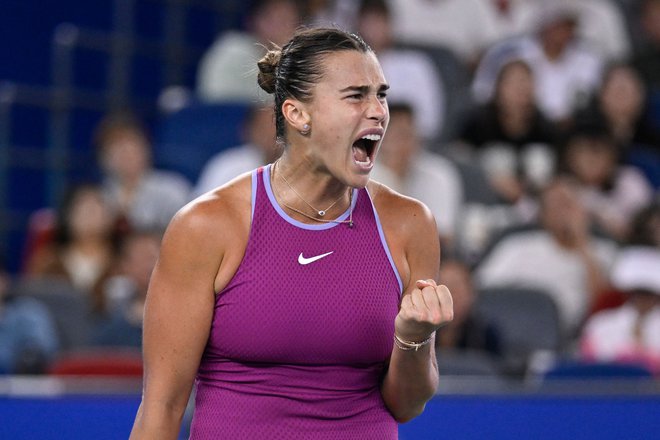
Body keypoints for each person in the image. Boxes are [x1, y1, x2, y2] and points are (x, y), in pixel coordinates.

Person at [130, 27, 453, 439]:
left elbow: (407, 405)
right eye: (356, 95)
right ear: (297, 114)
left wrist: (412, 339)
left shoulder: (411, 224)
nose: (378, 111)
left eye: (381, 94)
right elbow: (162, 404)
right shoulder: (207, 226)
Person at [371, 102, 463, 246]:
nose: (404, 143)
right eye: (397, 135)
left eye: (409, 134)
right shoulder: (364, 177)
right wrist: (394, 174)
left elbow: (444, 236)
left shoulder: (439, 173)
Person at [93, 111, 192, 233]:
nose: (126, 155)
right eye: (117, 149)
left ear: (146, 149)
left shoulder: (172, 189)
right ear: (104, 158)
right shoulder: (99, 196)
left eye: (131, 147)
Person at [196, 0, 301, 103]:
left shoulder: (298, 58)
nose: (283, 27)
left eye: (289, 18)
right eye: (275, 18)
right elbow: (220, 106)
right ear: (252, 21)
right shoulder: (234, 49)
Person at [579, 246, 660, 375]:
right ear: (628, 293)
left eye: (649, 293)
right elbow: (591, 370)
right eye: (638, 292)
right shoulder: (601, 325)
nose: (643, 299)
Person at [192, 102, 281, 197]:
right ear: (248, 131)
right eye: (264, 128)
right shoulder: (228, 166)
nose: (271, 135)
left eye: (278, 127)